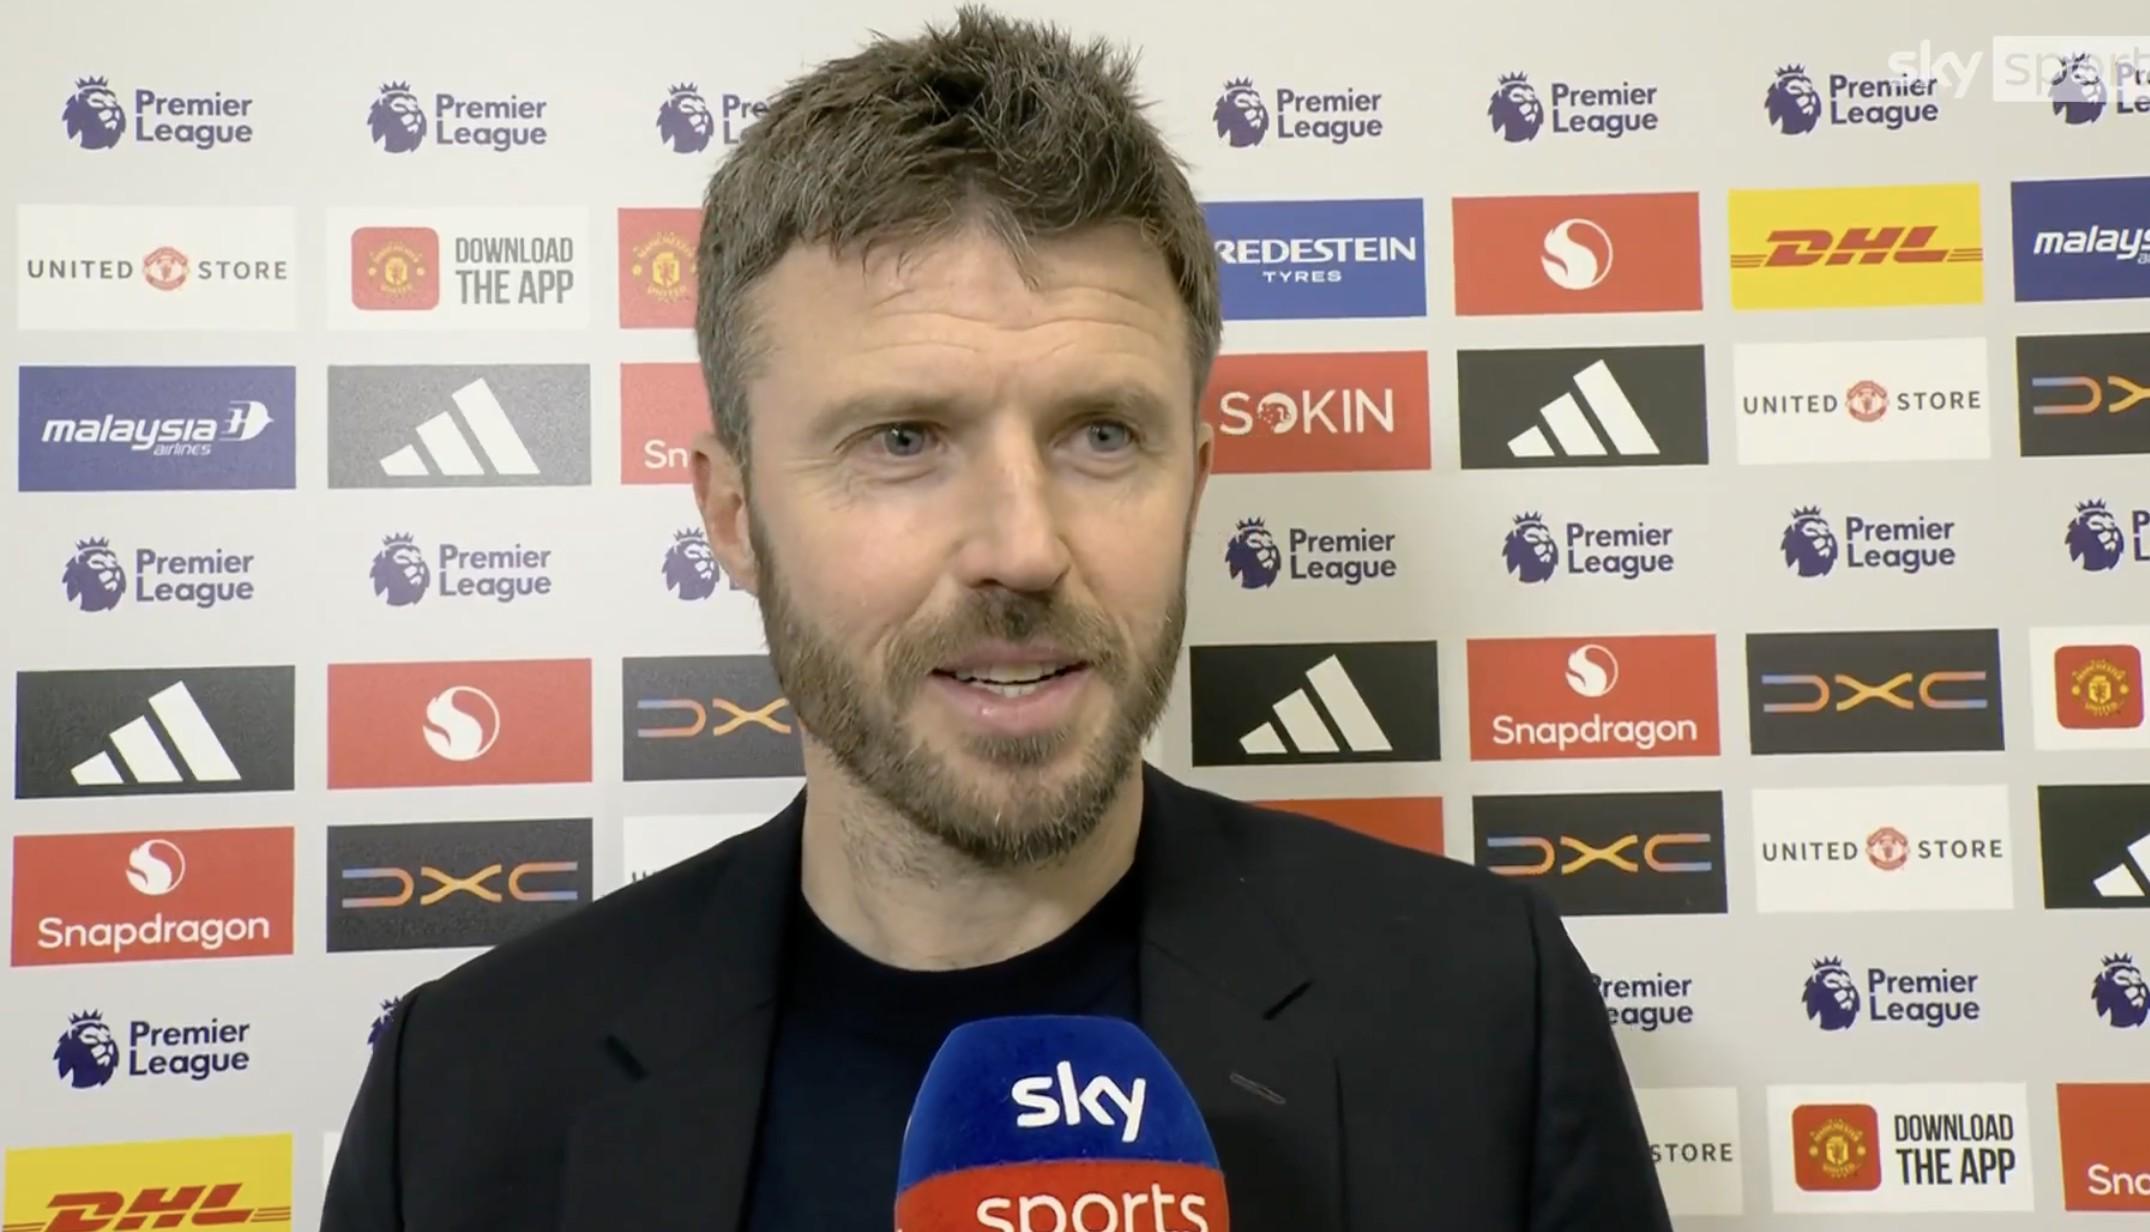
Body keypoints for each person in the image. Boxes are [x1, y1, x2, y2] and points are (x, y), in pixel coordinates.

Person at [322, 7, 1675, 1229]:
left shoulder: (1485, 1015)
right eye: (903, 439)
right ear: (732, 513)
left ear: (1196, 483)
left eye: (1101, 435)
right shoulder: (464, 1095)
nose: (1022, 548)